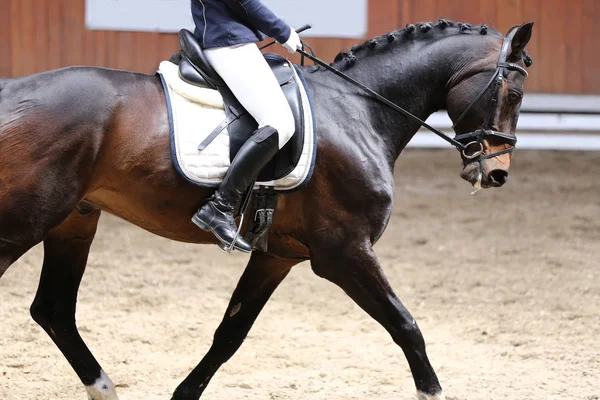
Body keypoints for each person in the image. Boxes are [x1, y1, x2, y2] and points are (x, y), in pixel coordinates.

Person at [190, 0, 302, 253]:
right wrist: (283, 32)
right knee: (280, 123)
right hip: (228, 43)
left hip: (229, 38)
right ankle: (220, 206)